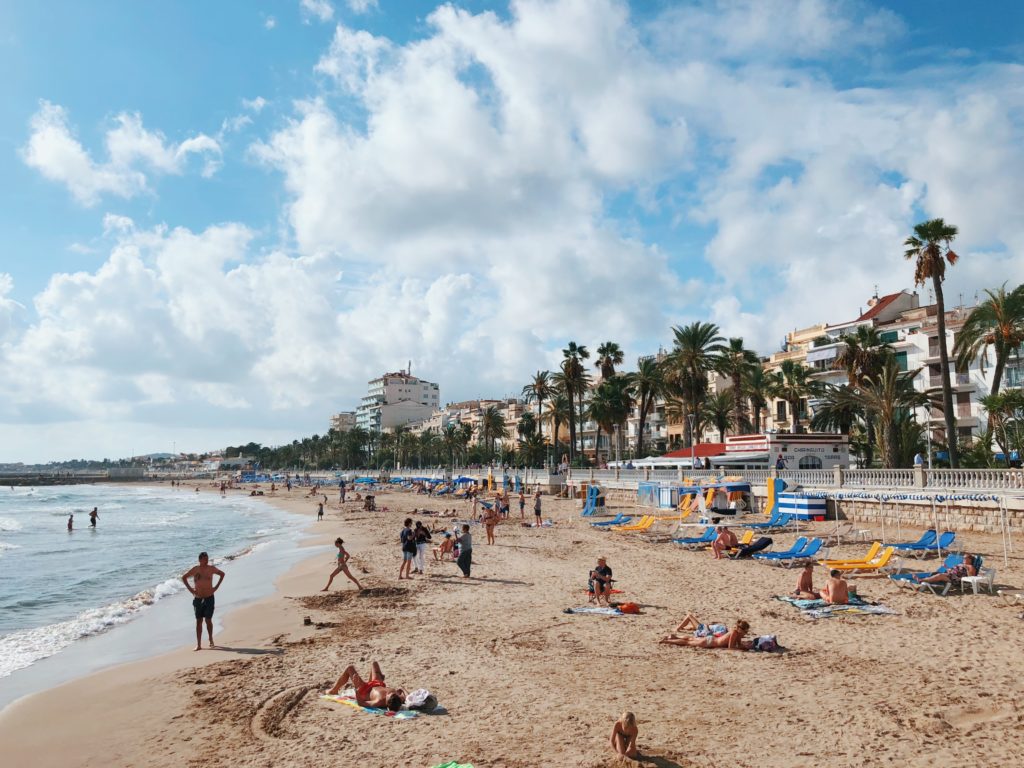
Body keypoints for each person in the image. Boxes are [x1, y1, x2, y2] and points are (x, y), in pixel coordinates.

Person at [182, 552, 225, 650]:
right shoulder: (195, 569)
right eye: (204, 559)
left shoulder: (211, 569)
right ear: (200, 560)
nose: (206, 561)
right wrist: (191, 590)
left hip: (209, 597)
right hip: (198, 598)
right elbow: (184, 577)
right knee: (198, 621)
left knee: (208, 620)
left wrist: (216, 587)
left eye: (207, 559)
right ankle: (199, 644)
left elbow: (222, 574)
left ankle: (210, 639)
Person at [327, 661, 407, 712]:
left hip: (365, 690)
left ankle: (334, 690)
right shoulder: (397, 698)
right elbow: (405, 694)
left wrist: (356, 689)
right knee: (374, 663)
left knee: (349, 668)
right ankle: (379, 677)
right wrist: (403, 689)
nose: (389, 693)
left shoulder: (378, 701)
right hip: (377, 684)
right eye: (392, 694)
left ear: (386, 701)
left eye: (388, 695)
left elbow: (361, 703)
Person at [660, 618, 751, 650]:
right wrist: (741, 649)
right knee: (688, 642)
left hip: (711, 639)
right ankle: (668, 641)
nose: (746, 633)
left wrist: (743, 647)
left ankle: (673, 637)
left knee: (690, 639)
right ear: (740, 629)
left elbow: (738, 645)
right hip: (710, 642)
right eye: (745, 631)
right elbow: (731, 648)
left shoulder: (737, 634)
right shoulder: (734, 632)